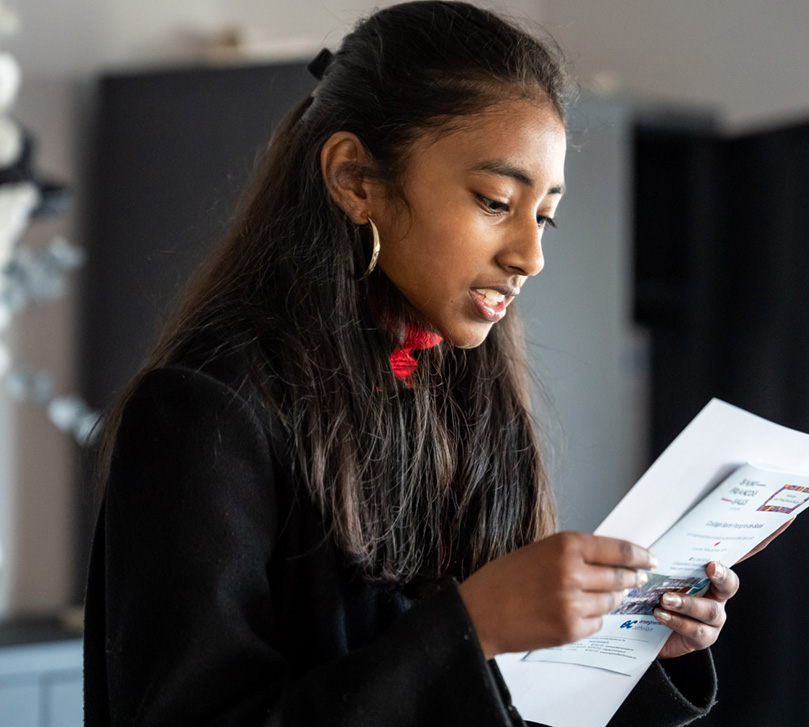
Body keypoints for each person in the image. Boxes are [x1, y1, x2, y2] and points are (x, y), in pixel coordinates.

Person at [84, 2, 745, 724]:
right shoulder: (205, 408)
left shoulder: (465, 395)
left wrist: (630, 641)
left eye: (544, 214)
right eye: (497, 200)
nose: (531, 255)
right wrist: (472, 625)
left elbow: (508, 700)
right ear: (355, 179)